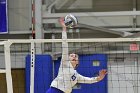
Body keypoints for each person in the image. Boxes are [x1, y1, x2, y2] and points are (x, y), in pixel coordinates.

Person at [46, 17, 107, 93]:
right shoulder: (64, 63)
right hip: (54, 90)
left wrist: (100, 78)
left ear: (78, 62)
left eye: (76, 56)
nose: (74, 56)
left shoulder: (77, 76)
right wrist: (64, 28)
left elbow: (90, 80)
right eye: (71, 56)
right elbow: (64, 44)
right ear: (67, 59)